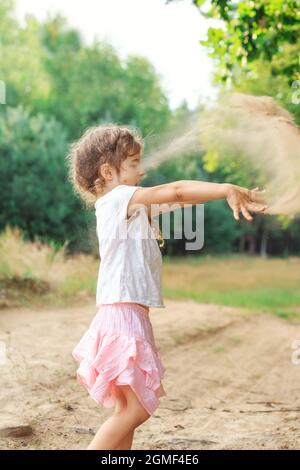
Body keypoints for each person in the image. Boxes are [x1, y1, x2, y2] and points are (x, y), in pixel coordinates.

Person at [68, 124, 268, 450]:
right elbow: (175, 191)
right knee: (135, 410)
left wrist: (234, 191)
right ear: (108, 171)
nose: (141, 170)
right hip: (123, 316)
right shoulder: (119, 199)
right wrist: (225, 188)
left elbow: (180, 200)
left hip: (126, 315)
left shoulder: (128, 205)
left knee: (126, 409)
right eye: (133, 164)